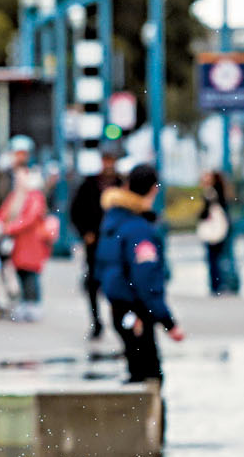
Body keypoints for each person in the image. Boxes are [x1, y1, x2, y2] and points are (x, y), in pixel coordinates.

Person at [96, 162, 185, 385]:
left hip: (119, 305)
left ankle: (134, 416)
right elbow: (146, 280)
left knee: (135, 371)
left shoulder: (112, 221)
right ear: (154, 189)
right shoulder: (139, 229)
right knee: (150, 375)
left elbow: (103, 266)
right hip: (137, 309)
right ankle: (147, 420)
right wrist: (168, 322)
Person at [1, 143, 52, 322]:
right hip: (20, 243)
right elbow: (5, 213)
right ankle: (25, 303)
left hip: (31, 242)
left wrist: (9, 227)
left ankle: (33, 304)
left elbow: (29, 219)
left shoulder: (34, 196)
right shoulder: (17, 196)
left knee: (30, 275)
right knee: (22, 274)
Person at [71, 164, 112, 338]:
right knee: (93, 283)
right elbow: (75, 210)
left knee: (114, 282)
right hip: (95, 244)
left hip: (112, 243)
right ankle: (96, 321)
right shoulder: (89, 185)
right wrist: (85, 232)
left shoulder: (118, 183)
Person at [196, 167, 239, 296]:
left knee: (219, 259)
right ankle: (223, 285)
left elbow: (205, 213)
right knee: (222, 258)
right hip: (220, 229)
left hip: (218, 230)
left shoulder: (211, 193)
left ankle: (221, 285)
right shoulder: (220, 192)